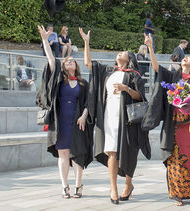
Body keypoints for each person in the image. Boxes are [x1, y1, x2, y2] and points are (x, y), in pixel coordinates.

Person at [142, 33, 190, 206]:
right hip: (174, 126)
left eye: (189, 58)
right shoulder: (173, 77)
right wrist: (150, 47)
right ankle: (177, 193)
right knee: (175, 159)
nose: (186, 59)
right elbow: (155, 68)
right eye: (185, 57)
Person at [79, 28, 150, 205]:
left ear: (129, 59)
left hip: (126, 118)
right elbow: (88, 63)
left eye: (124, 53)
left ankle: (128, 183)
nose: (120, 53)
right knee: (111, 151)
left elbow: (140, 97)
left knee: (128, 153)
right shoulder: (108, 71)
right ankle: (114, 188)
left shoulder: (134, 75)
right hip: (109, 115)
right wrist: (86, 42)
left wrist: (126, 89)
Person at [37, 25, 93, 199]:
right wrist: (45, 40)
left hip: (78, 122)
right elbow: (51, 59)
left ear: (76, 65)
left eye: (72, 60)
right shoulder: (59, 80)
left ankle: (78, 185)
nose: (69, 61)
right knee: (63, 154)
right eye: (66, 60)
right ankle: (64, 186)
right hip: (60, 122)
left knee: (78, 155)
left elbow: (88, 103)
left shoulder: (83, 83)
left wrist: (84, 115)